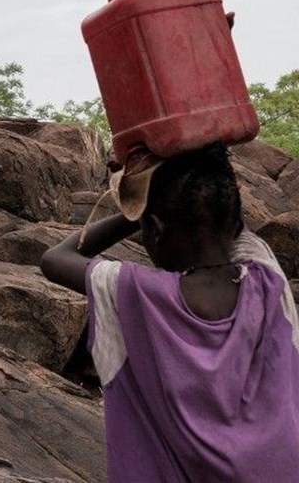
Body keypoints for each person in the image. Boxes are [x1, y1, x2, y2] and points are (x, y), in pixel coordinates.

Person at [41, 143, 299, 481]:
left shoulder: (138, 294)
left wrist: (134, 207)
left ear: (156, 230)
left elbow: (55, 259)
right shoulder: (268, 283)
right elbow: (232, 223)